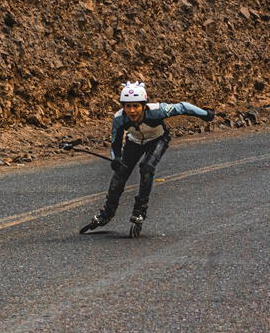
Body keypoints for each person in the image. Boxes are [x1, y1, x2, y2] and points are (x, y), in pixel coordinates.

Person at [80, 81, 215, 234]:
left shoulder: (157, 111)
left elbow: (183, 107)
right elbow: (115, 144)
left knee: (147, 167)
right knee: (120, 174)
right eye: (128, 106)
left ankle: (139, 211)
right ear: (123, 107)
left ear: (144, 105)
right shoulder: (119, 118)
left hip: (158, 139)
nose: (132, 111)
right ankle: (107, 213)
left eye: (136, 106)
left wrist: (205, 115)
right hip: (134, 142)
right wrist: (116, 158)